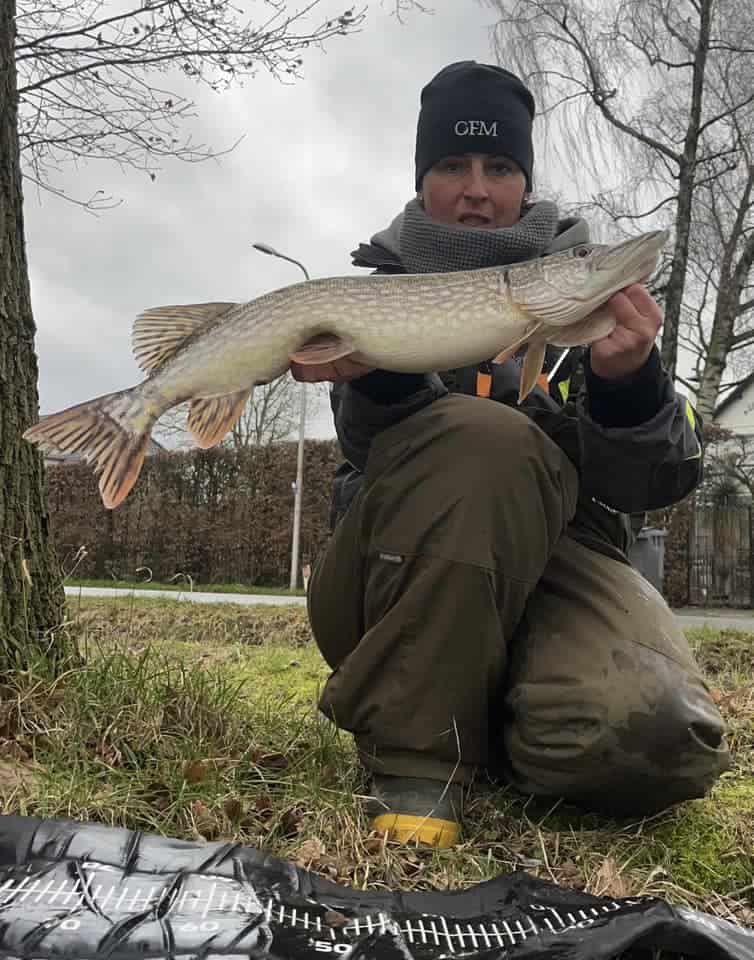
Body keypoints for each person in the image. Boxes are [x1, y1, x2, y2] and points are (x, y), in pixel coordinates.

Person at [293, 61, 730, 848]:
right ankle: (418, 760)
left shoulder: (588, 305)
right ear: (422, 182)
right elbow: (369, 449)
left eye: (500, 167)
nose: (476, 187)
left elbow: (659, 478)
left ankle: (496, 714)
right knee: (488, 438)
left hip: (558, 577)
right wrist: (387, 376)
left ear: (524, 186)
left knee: (663, 735)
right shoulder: (378, 293)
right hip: (394, 575)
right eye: (451, 166)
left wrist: (631, 383)